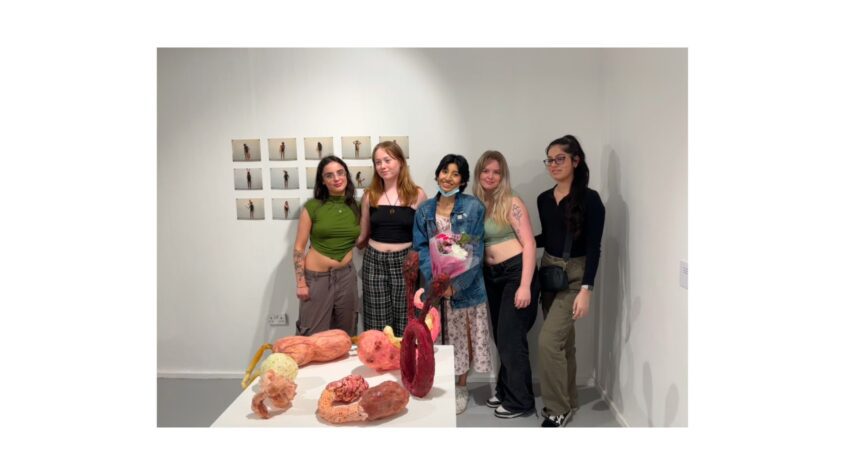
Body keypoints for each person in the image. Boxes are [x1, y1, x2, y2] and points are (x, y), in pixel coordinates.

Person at [535, 135, 606, 427]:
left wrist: (586, 290)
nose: (553, 164)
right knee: (563, 343)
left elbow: (593, 247)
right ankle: (570, 399)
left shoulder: (590, 200)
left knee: (548, 342)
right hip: (548, 270)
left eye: (559, 158)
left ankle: (557, 408)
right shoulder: (543, 199)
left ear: (575, 160)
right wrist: (515, 240)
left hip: (576, 274)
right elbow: (547, 238)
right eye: (549, 159)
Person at [413, 154, 491, 414]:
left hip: (465, 287)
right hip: (436, 287)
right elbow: (421, 247)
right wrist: (436, 280)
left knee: (463, 337)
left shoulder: (474, 207)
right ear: (437, 175)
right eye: (444, 171)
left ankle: (461, 385)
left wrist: (455, 285)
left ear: (463, 180)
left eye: (455, 173)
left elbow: (476, 249)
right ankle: (442, 382)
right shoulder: (424, 210)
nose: (448, 178)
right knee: (438, 336)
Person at [473, 150, 540, 419]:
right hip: (492, 277)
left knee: (512, 338)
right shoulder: (478, 204)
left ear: (503, 176)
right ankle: (505, 389)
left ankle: (521, 402)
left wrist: (524, 285)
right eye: (486, 171)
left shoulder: (511, 202)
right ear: (479, 174)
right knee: (502, 337)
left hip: (515, 274)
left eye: (496, 172)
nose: (490, 176)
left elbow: (530, 243)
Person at [357, 141, 426, 337]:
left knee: (407, 318)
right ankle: (379, 366)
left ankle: (404, 365)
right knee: (377, 322)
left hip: (406, 262)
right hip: (374, 262)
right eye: (378, 162)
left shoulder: (417, 195)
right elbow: (363, 234)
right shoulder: (370, 195)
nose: (382, 166)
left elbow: (425, 235)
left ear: (401, 162)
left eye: (387, 160)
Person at [293, 156, 361, 336]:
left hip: (347, 277)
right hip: (317, 279)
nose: (336, 178)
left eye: (340, 173)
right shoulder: (312, 207)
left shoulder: (356, 206)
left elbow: (361, 237)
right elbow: (299, 247)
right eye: (329, 175)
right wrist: (301, 283)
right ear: (322, 181)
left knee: (346, 335)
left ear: (346, 175)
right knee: (312, 336)